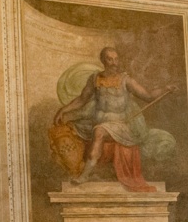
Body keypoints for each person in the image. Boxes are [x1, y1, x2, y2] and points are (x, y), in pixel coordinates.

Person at [53, 47, 175, 191]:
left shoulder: (125, 79)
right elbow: (82, 99)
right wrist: (63, 110)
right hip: (98, 123)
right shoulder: (94, 79)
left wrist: (165, 89)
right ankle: (78, 168)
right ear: (103, 60)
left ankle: (85, 175)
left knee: (99, 131)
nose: (114, 63)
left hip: (121, 126)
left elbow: (147, 96)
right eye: (110, 59)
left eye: (116, 59)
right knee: (70, 129)